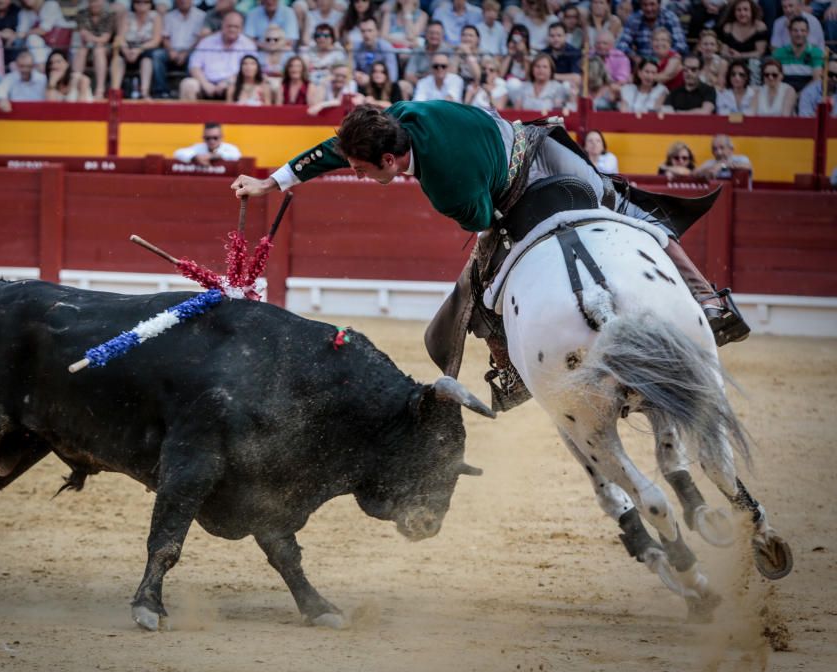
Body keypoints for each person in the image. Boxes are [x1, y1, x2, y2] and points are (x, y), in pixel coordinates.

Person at [230, 103, 751, 410]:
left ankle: (511, 371)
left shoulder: (444, 186)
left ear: (389, 159)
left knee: (484, 274)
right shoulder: (400, 116)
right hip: (542, 143)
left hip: (515, 188)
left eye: (365, 169)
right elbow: (332, 150)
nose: (361, 174)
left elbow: (482, 217)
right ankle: (710, 303)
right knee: (632, 211)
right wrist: (270, 183)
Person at [180, 10, 256, 99]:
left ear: (242, 28)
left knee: (242, 87)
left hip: (233, 82)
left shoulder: (248, 44)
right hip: (206, 83)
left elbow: (252, 70)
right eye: (229, 26)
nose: (232, 29)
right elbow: (194, 66)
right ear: (222, 25)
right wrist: (205, 84)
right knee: (188, 84)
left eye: (236, 27)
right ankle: (191, 113)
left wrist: (228, 82)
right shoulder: (207, 42)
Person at [112, 0, 163, 99]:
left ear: (150, 4)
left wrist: (139, 49)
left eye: (145, 2)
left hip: (146, 47)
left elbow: (156, 41)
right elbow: (120, 37)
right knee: (118, 58)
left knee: (147, 59)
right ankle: (115, 91)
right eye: (138, 2)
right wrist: (126, 50)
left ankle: (144, 92)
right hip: (128, 46)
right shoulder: (127, 16)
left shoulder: (155, 16)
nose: (142, 4)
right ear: (133, 4)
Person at [73, 0, 116, 100]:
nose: (94, 4)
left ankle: (99, 90)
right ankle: (74, 87)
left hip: (104, 49)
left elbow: (105, 39)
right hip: (86, 46)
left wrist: (93, 39)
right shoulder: (82, 14)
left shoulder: (109, 15)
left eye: (97, 1)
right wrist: (96, 39)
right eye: (92, 1)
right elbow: (84, 35)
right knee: (81, 50)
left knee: (99, 50)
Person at [617, 0, 688, 59]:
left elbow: (681, 45)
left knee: (677, 59)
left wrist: (666, 55)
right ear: (641, 6)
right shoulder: (634, 19)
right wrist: (634, 56)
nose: (649, 8)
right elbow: (622, 44)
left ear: (659, 4)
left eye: (652, 4)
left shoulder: (670, 17)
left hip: (666, 60)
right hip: (642, 62)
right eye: (645, 5)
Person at [772, 16, 823, 92]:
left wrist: (799, 95)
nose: (799, 34)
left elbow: (816, 80)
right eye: (795, 30)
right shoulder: (778, 53)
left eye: (803, 31)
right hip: (783, 94)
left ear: (808, 32)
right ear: (789, 32)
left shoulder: (816, 53)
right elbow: (774, 78)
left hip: (807, 96)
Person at [351, 18, 399, 85]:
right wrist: (356, 74)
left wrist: (371, 79)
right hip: (361, 83)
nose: (366, 34)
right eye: (363, 31)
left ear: (377, 32)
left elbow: (392, 76)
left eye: (370, 31)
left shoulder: (386, 47)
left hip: (382, 85)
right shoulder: (356, 47)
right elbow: (350, 71)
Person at [173, 122, 241, 164]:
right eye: (208, 138)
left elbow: (237, 156)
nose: (212, 141)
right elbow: (178, 153)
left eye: (215, 138)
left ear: (221, 137)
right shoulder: (199, 147)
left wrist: (214, 156)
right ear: (203, 137)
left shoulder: (230, 148)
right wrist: (195, 157)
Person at [542, 21, 582, 91]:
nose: (556, 39)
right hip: (547, 87)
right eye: (552, 36)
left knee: (567, 85)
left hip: (566, 88)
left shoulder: (574, 52)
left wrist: (551, 76)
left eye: (559, 35)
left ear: (566, 36)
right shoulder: (543, 53)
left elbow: (576, 77)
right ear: (548, 37)